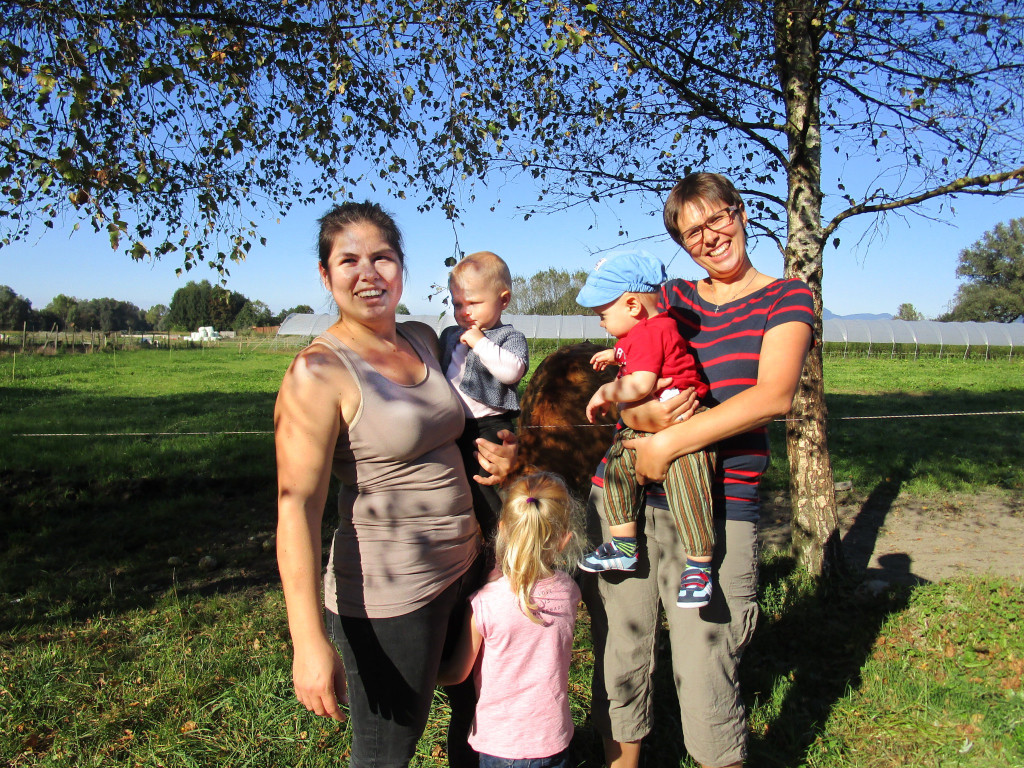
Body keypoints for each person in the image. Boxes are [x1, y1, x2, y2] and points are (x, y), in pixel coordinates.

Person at [274, 201, 518, 768]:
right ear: (325, 274)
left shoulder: (422, 338)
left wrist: (513, 456)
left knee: (480, 717)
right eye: (349, 260)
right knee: (387, 751)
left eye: (382, 258)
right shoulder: (317, 373)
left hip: (469, 566)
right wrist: (307, 641)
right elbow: (297, 510)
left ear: (402, 268)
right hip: (392, 594)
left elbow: (475, 419)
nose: (368, 274)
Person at [582, 173, 814, 768]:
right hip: (631, 503)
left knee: (707, 661)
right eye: (692, 232)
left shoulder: (787, 297)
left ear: (739, 213)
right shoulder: (676, 299)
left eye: (718, 218)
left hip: (719, 506)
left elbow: (772, 397)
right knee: (622, 652)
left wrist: (671, 440)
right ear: (681, 246)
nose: (710, 237)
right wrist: (647, 416)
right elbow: (634, 372)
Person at [574, 249, 717, 609]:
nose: (601, 323)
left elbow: (640, 383)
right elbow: (634, 352)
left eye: (603, 315)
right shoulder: (644, 331)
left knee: (688, 482)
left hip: (681, 424)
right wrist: (615, 354)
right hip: (650, 427)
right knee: (617, 470)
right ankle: (623, 546)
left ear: (634, 306)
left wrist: (605, 391)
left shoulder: (654, 332)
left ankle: (699, 564)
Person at [437, 472, 583, 768]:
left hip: (502, 744)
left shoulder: (485, 604)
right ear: (565, 540)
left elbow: (457, 673)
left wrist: (422, 676)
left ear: (501, 530)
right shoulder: (570, 592)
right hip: (554, 738)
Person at [440, 251, 529, 539]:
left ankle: (501, 532)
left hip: (489, 424)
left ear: (503, 300)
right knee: (461, 480)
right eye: (457, 304)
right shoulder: (451, 335)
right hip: (456, 425)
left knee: (485, 481)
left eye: (474, 303)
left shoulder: (507, 337)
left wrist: (480, 343)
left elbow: (512, 372)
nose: (464, 311)